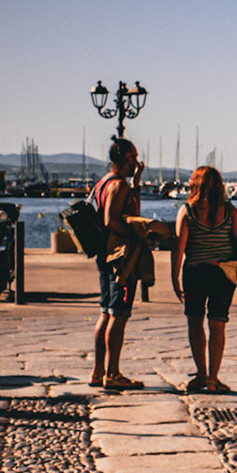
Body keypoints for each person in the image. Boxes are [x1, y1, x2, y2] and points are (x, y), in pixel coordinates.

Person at [170, 164, 237, 395]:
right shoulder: (229, 211)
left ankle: (201, 374)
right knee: (218, 324)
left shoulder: (187, 210)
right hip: (222, 275)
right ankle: (213, 378)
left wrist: (174, 277)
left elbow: (179, 246)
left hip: (195, 272)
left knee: (195, 322)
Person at [89, 138, 145, 391]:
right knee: (119, 314)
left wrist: (137, 184)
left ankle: (98, 371)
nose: (137, 161)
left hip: (104, 254)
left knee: (105, 311)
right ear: (126, 157)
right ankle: (112, 373)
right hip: (120, 257)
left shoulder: (103, 183)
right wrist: (137, 235)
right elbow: (112, 219)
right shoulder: (119, 185)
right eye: (134, 156)